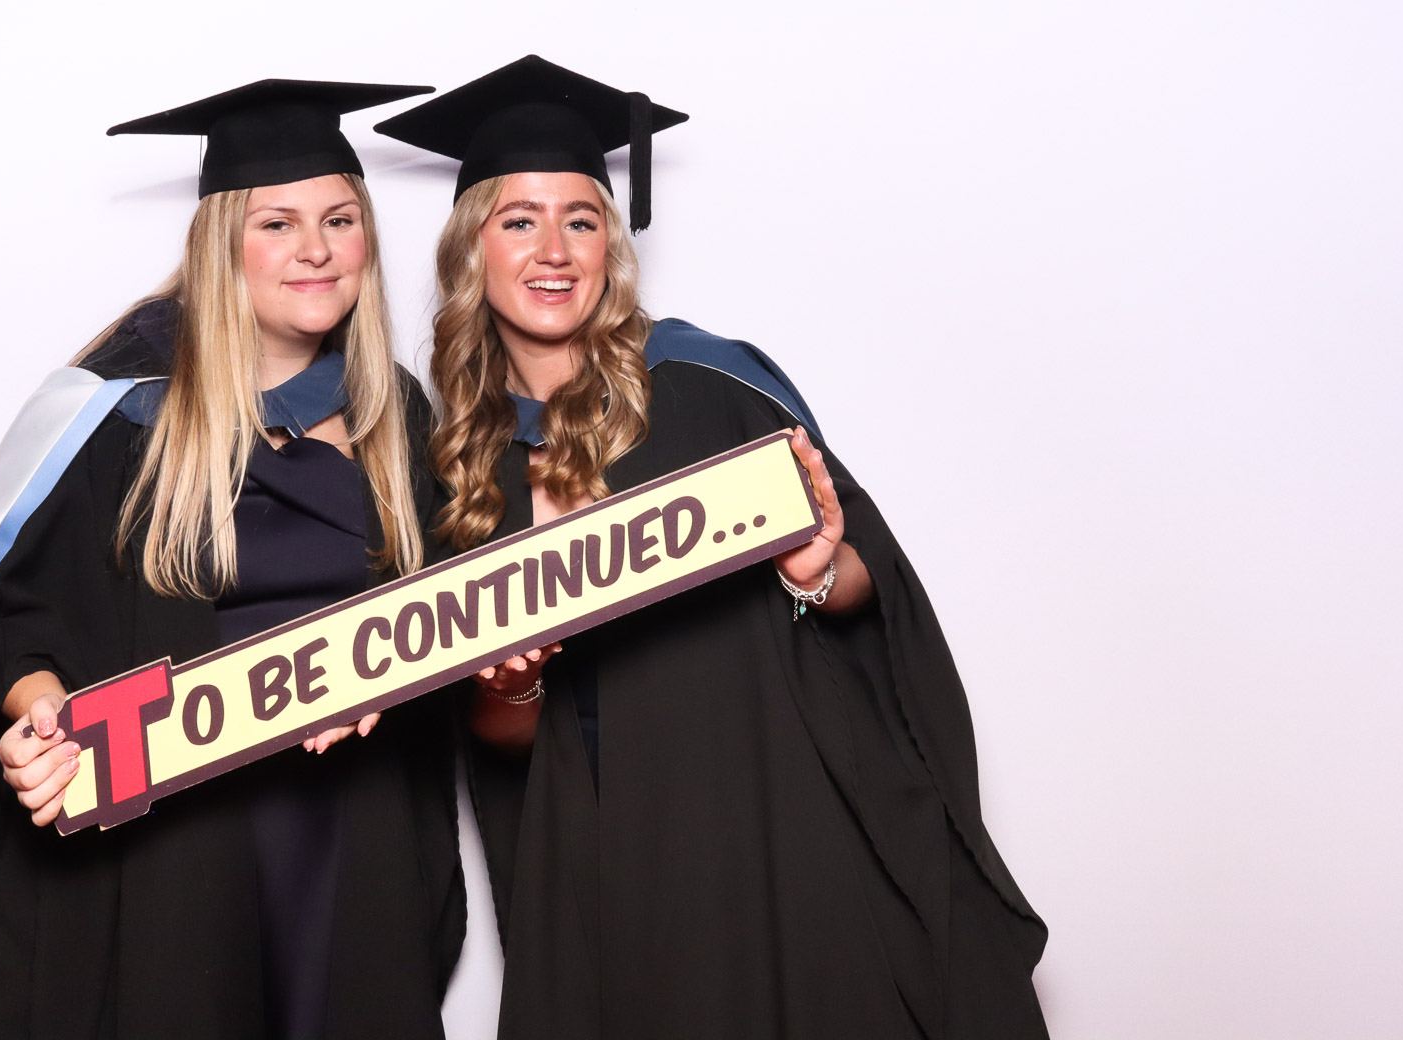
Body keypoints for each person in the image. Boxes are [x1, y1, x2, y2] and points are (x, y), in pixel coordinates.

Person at [376, 55, 1048, 1039]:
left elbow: (869, 583)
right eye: (519, 218)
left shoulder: (707, 385)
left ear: (612, 243)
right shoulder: (460, 472)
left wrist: (822, 575)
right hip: (608, 871)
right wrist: (510, 682)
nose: (553, 247)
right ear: (473, 247)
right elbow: (508, 745)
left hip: (772, 841)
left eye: (582, 217)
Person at [0, 78, 464, 1039]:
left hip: (354, 832)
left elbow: (457, 615)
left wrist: (398, 671)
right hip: (181, 846)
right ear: (221, 245)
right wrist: (42, 712)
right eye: (276, 223)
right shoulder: (121, 409)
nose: (315, 249)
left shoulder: (396, 417)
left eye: (339, 218)